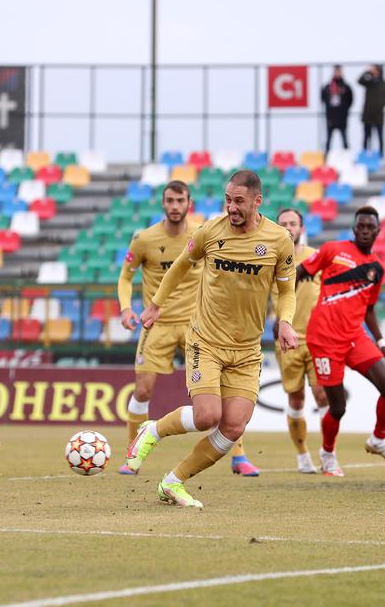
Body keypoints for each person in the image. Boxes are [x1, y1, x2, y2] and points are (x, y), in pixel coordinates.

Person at [126, 170, 297, 508]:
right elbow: (179, 267)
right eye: (227, 200)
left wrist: (286, 322)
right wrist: (157, 304)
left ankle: (173, 482)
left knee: (233, 426)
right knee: (207, 416)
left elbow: (287, 290)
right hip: (207, 340)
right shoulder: (210, 231)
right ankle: (153, 430)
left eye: (239, 201)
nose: (231, 207)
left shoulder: (279, 240)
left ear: (257, 201)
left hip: (248, 349)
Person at [117, 180, 260, 477]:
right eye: (169, 200)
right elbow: (125, 277)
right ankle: (133, 454)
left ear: (188, 203)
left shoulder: (203, 233)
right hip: (158, 325)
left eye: (180, 201)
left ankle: (239, 455)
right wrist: (125, 307)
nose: (174, 206)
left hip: (199, 324)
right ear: (163, 203)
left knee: (225, 393)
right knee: (143, 390)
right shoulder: (144, 239)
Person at [295, 205, 385, 477]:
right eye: (361, 227)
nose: (365, 231)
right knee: (338, 406)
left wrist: (381, 343)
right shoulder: (333, 250)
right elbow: (299, 273)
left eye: (370, 227)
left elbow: (368, 309)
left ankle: (378, 440)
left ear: (378, 231)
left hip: (355, 337)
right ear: (354, 229)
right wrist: (284, 317)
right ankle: (328, 454)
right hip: (324, 339)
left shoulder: (376, 269)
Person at [273, 208, 328, 473]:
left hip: (318, 340)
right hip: (288, 340)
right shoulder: (270, 259)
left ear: (301, 228)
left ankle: (329, 452)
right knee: (296, 400)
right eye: (283, 224)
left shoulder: (316, 258)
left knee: (323, 395)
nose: (288, 228)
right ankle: (302, 454)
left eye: (292, 223)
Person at [358, 64, 385, 156]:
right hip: (368, 114)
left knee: (380, 136)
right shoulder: (369, 82)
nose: (375, 72)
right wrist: (368, 72)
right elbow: (359, 81)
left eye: (376, 70)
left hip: (378, 115)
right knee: (366, 137)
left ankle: (381, 156)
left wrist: (381, 104)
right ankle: (365, 155)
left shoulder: (384, 84)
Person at [320, 65, 353, 155]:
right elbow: (323, 98)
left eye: (339, 72)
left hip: (342, 117)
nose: (337, 73)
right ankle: (326, 158)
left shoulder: (346, 87)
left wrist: (344, 109)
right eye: (336, 71)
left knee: (344, 138)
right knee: (329, 139)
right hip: (331, 116)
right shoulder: (328, 87)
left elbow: (350, 100)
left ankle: (347, 157)